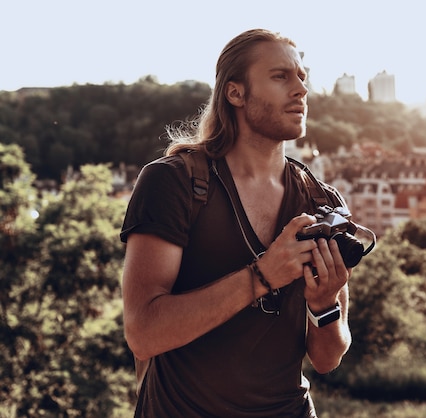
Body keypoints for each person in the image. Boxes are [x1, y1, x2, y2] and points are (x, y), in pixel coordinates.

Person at [120, 28, 354, 417]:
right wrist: (261, 276)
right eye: (281, 76)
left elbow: (327, 358)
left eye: (302, 77)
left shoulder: (321, 202)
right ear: (235, 93)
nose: (301, 89)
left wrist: (325, 304)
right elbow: (142, 333)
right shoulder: (174, 182)